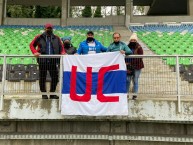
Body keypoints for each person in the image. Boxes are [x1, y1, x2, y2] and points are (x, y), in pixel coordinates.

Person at [30, 23, 66, 99]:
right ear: (45, 29)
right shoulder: (39, 37)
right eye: (47, 28)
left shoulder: (57, 38)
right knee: (42, 77)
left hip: (53, 61)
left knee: (55, 77)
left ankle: (52, 94)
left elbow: (61, 47)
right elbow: (31, 45)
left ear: (52, 29)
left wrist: (63, 52)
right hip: (43, 61)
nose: (49, 30)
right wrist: (34, 52)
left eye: (50, 28)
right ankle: (44, 94)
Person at [126, 33, 144, 100]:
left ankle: (134, 94)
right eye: (131, 40)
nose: (132, 41)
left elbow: (140, 57)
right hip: (128, 67)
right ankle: (126, 94)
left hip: (137, 66)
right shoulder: (127, 47)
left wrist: (132, 63)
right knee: (127, 80)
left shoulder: (139, 47)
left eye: (134, 40)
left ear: (136, 41)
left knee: (135, 80)